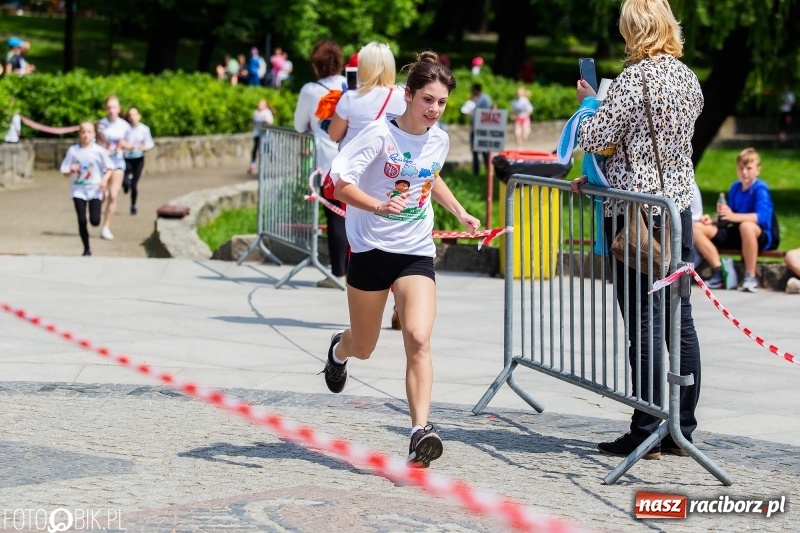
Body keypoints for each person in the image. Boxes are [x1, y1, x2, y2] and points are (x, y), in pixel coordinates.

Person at [322, 50, 480, 468]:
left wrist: (459, 211)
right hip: (372, 251)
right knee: (365, 345)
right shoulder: (378, 135)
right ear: (407, 96)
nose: (435, 110)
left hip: (415, 251)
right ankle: (339, 350)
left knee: (419, 337)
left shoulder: (440, 139)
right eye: (428, 99)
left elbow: (430, 175)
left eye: (442, 102)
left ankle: (419, 432)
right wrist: (376, 206)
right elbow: (338, 185)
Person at [571, 0, 704, 460]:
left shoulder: (633, 80)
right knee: (679, 319)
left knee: (643, 322)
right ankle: (683, 426)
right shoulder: (688, 78)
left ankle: (646, 424)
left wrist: (589, 103)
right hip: (678, 209)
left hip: (635, 214)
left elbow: (592, 137)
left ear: (634, 31)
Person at [293, 40, 347, 288]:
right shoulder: (351, 86)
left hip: (327, 162)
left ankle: (339, 272)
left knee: (335, 217)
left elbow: (298, 124)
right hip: (353, 157)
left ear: (316, 65)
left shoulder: (310, 90)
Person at [693, 148, 777, 293]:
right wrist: (714, 220)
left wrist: (733, 217)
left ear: (758, 170)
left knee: (747, 226)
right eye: (741, 168)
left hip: (760, 235)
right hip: (738, 232)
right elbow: (728, 217)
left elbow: (762, 218)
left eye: (749, 168)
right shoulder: (735, 188)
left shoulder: (760, 189)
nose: (745, 172)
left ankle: (750, 276)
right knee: (697, 227)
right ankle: (719, 271)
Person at [59, 121, 115, 257]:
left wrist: (104, 180)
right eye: (83, 132)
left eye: (89, 132)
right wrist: (71, 170)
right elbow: (64, 171)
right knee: (82, 220)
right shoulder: (73, 151)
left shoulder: (98, 151)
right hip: (78, 190)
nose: (86, 135)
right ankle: (86, 248)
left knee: (95, 221)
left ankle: (99, 204)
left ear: (94, 134)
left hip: (95, 189)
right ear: (79, 134)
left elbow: (110, 168)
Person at [97, 95, 132, 241]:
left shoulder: (125, 126)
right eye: (109, 107)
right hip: (103, 164)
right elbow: (95, 144)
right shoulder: (101, 125)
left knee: (113, 194)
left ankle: (106, 227)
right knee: (102, 195)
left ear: (119, 109)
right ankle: (96, 212)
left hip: (118, 163)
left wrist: (125, 146)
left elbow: (131, 145)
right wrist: (102, 150)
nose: (112, 110)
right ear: (106, 109)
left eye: (114, 107)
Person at [122, 107, 155, 215]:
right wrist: (127, 146)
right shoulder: (125, 128)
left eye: (134, 115)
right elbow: (121, 142)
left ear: (139, 116)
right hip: (127, 158)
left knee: (134, 185)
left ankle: (133, 205)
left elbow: (150, 144)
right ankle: (126, 185)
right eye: (130, 115)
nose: (132, 117)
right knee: (125, 181)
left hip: (138, 159)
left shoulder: (144, 129)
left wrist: (144, 147)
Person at [463, 83, 492, 176]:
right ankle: (476, 172)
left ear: (476, 89)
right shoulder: (476, 99)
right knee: (475, 151)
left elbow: (488, 113)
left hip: (482, 130)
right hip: (475, 129)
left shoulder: (485, 99)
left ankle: (489, 171)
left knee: (484, 152)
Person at [249, 98, 275, 174]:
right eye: (259, 104)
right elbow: (253, 122)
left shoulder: (267, 112)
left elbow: (270, 122)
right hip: (257, 133)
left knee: (267, 150)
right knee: (255, 148)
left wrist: (263, 118)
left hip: (265, 135)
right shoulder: (255, 112)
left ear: (265, 105)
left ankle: (272, 163)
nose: (259, 105)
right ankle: (252, 165)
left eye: (261, 104)